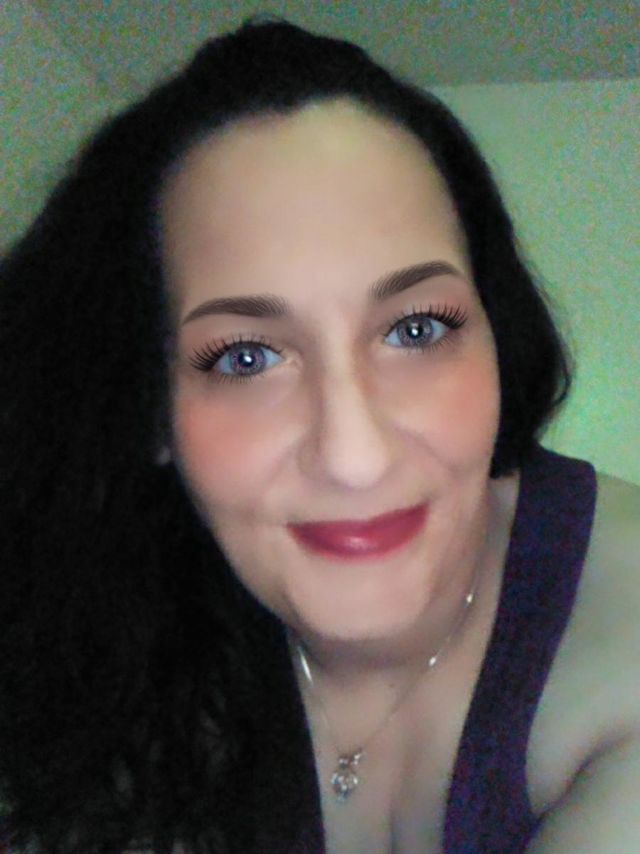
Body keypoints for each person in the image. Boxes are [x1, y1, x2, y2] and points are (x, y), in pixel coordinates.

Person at [1, 15, 639, 854]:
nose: (354, 457)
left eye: (415, 328)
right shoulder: (89, 598)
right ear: (150, 404)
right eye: (246, 357)